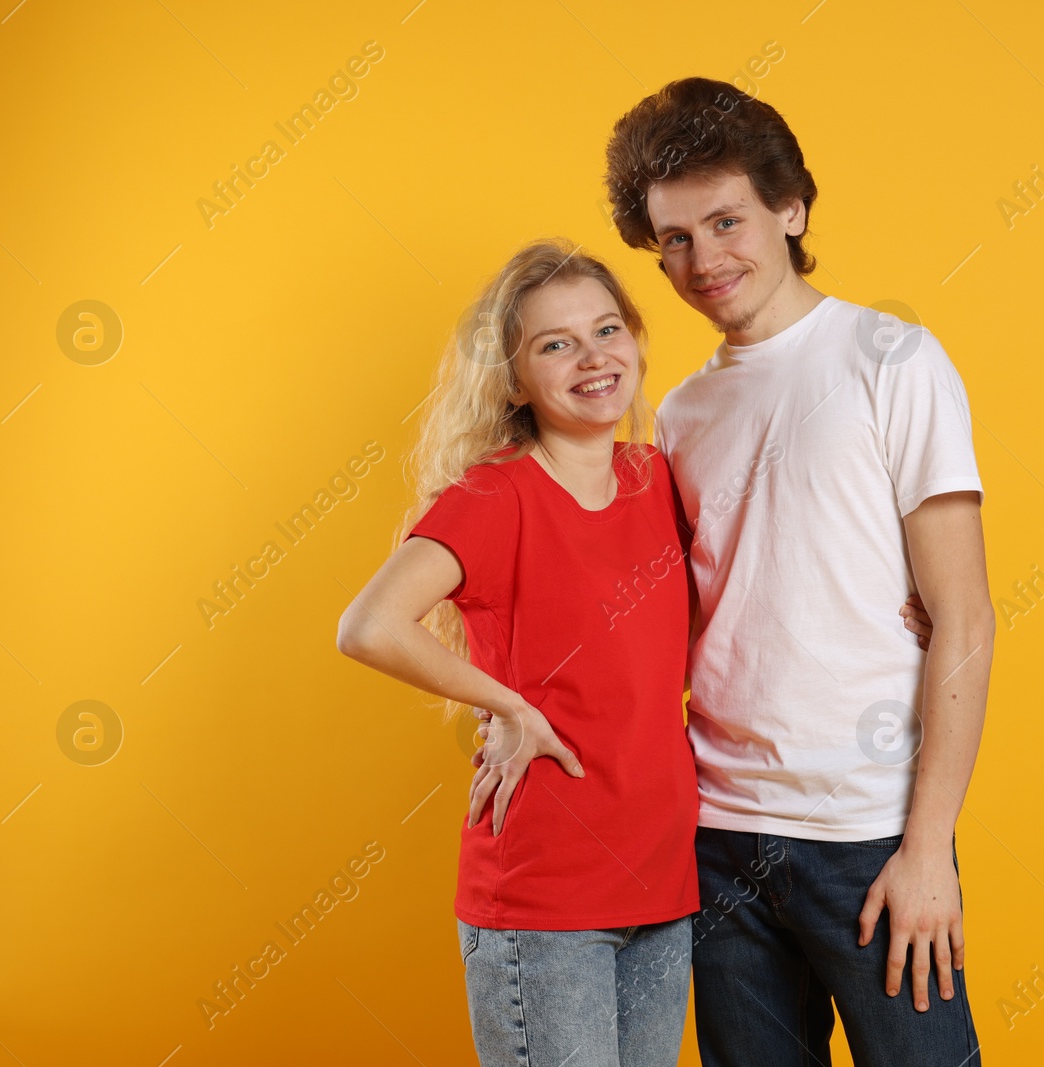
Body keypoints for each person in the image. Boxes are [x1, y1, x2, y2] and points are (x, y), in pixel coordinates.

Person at [602, 78, 995, 1066]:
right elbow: (692, 618)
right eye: (673, 239)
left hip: (868, 829)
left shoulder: (891, 359)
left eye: (724, 220)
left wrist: (926, 847)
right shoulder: (682, 414)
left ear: (790, 207)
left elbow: (966, 618)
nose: (701, 259)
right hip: (719, 834)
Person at [335, 239, 700, 1067]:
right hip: (545, 895)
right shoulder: (496, 496)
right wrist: (510, 705)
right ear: (513, 378)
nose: (593, 357)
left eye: (607, 329)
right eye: (555, 344)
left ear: (638, 342)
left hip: (666, 882)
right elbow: (369, 624)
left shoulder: (658, 479)